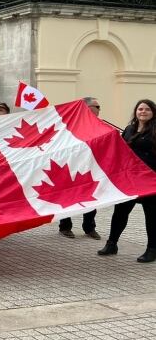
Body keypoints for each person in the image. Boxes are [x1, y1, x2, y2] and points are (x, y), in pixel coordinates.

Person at [98, 99, 156, 262]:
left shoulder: (155, 131)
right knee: (120, 212)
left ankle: (152, 249)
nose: (143, 112)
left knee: (151, 215)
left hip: (151, 179)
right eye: (140, 109)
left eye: (147, 109)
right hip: (130, 179)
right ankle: (112, 244)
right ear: (136, 112)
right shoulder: (130, 129)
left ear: (153, 113)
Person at [58, 97, 101, 239]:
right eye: (97, 106)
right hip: (71, 167)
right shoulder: (71, 124)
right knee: (68, 198)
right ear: (87, 108)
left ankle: (89, 228)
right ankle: (65, 227)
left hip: (91, 167)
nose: (99, 109)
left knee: (91, 199)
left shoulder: (100, 125)